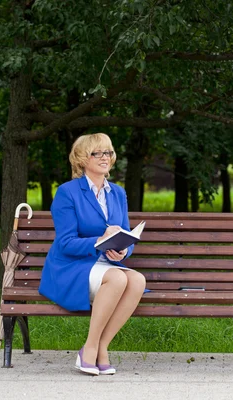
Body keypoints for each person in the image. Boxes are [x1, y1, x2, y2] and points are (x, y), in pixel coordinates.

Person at [38, 133, 147, 376]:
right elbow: (65, 243)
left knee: (138, 280)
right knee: (118, 278)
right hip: (71, 267)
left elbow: (126, 234)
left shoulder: (117, 193)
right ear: (81, 159)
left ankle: (101, 347)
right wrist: (99, 240)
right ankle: (89, 348)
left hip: (106, 265)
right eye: (97, 153)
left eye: (108, 152)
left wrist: (123, 250)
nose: (104, 157)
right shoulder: (67, 192)